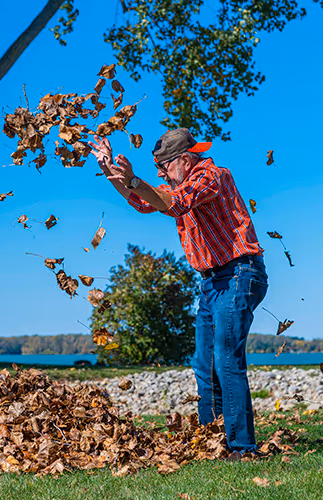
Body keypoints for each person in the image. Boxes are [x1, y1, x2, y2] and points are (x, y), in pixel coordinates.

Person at [89, 128, 268, 455]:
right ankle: (211, 441)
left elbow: (175, 204)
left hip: (239, 273)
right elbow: (143, 202)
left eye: (164, 166)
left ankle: (242, 447)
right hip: (211, 281)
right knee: (204, 363)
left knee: (226, 357)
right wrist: (109, 170)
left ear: (185, 159)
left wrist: (133, 179)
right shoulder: (179, 182)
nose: (159, 173)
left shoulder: (213, 176)